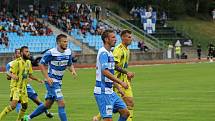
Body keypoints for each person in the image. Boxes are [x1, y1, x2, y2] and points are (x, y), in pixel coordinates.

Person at [24, 34, 77, 121]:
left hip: (58, 82)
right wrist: (47, 77)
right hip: (52, 82)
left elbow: (69, 64)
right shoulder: (51, 52)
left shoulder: (68, 52)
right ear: (58, 42)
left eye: (67, 41)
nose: (66, 43)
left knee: (47, 105)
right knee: (61, 103)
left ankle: (28, 117)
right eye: (64, 41)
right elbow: (41, 64)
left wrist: (73, 71)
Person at [94, 29, 130, 121]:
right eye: (113, 37)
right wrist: (121, 82)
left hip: (110, 91)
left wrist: (118, 88)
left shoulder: (110, 54)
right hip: (102, 92)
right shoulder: (103, 53)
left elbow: (111, 74)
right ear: (106, 39)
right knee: (108, 119)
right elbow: (105, 72)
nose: (116, 39)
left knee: (125, 113)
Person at [0, 46, 42, 121]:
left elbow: (30, 74)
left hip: (24, 88)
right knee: (13, 105)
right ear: (22, 53)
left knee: (25, 106)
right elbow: (8, 72)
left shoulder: (28, 62)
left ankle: (18, 120)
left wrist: (38, 79)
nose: (28, 53)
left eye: (28, 51)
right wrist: (12, 75)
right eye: (26, 51)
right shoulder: (16, 62)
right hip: (15, 87)